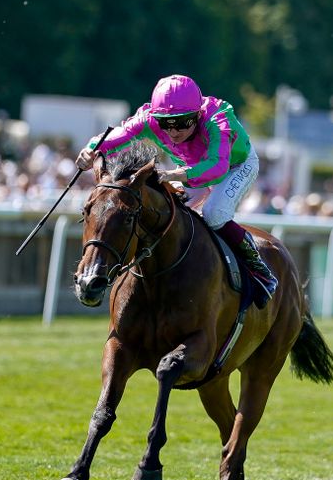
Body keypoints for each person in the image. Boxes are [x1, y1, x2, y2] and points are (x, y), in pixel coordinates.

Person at [74, 74, 277, 308]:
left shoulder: (217, 120)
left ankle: (258, 268)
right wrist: (91, 149)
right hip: (191, 169)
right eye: (165, 123)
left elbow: (217, 167)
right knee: (170, 213)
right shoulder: (148, 119)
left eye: (181, 122)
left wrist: (176, 174)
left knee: (214, 214)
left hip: (234, 166)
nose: (173, 131)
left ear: (198, 115)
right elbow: (118, 135)